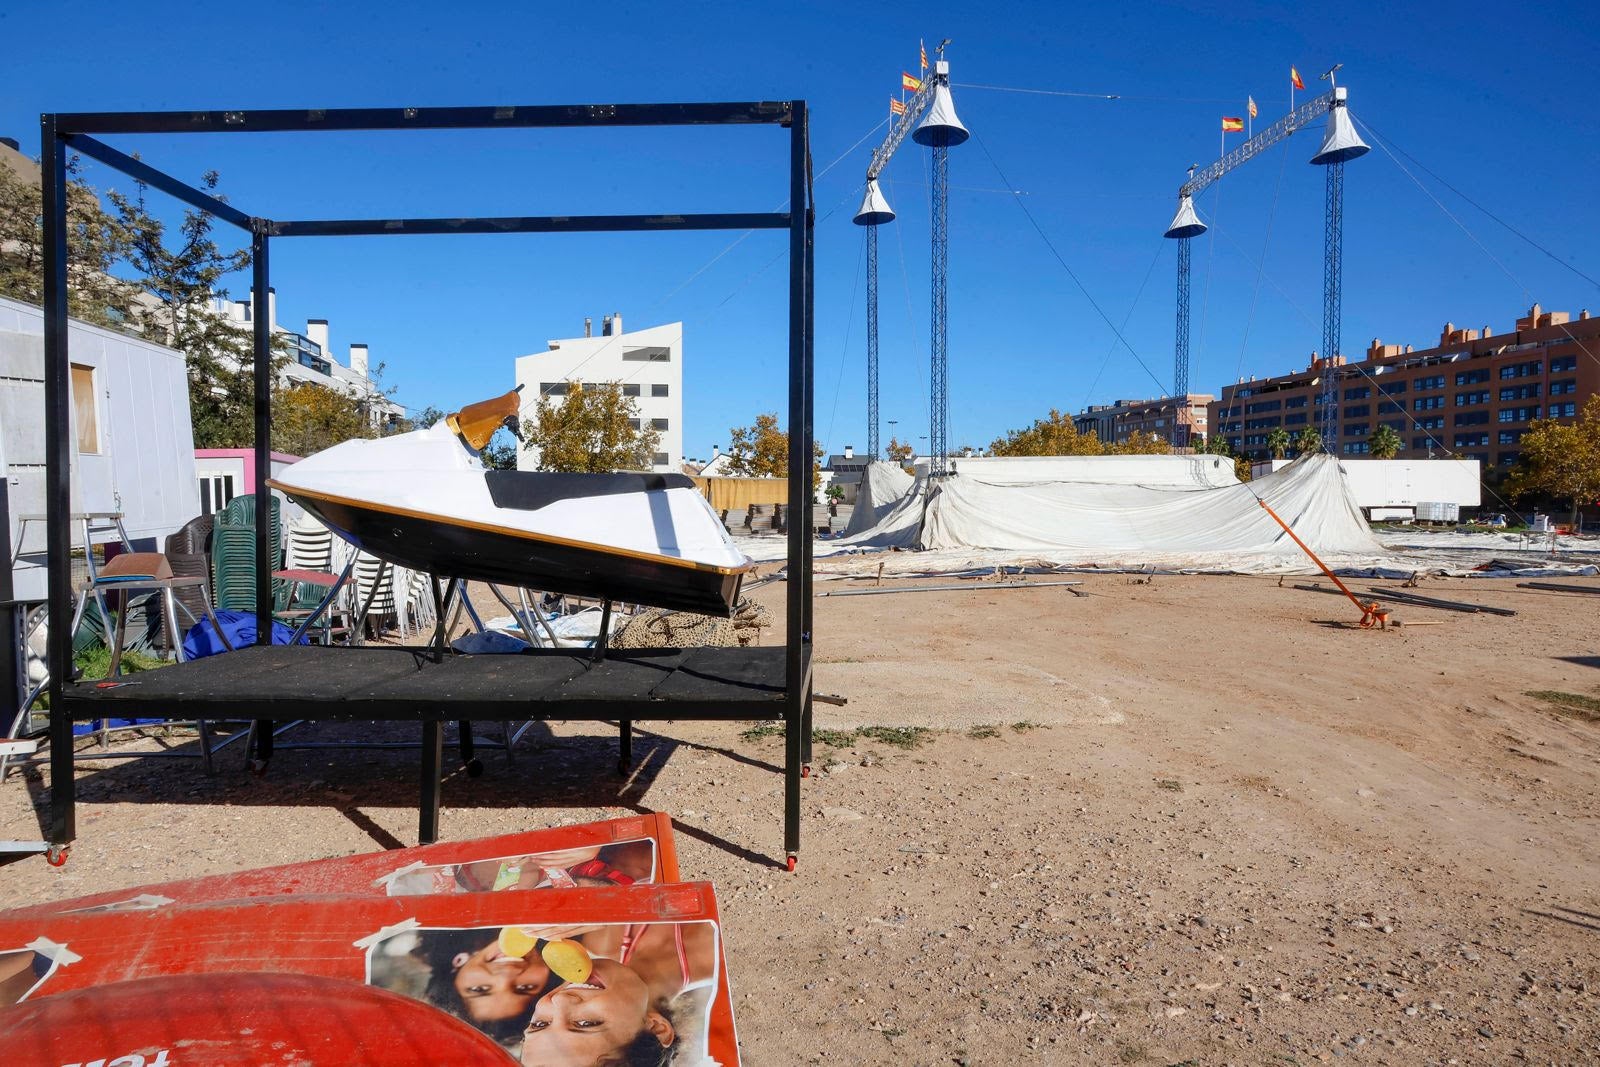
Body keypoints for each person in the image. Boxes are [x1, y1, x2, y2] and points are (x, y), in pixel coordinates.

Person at [515, 922, 717, 1067]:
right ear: (656, 1028)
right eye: (586, 1023)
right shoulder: (716, 953)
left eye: (539, 1024)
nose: (560, 999)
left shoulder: (582, 934)